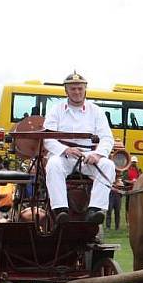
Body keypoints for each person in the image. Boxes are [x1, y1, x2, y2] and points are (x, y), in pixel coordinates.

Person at [43, 71, 115, 225]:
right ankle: (61, 210)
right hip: (64, 157)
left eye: (80, 88)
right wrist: (65, 150)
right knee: (53, 164)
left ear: (85, 89)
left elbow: (107, 138)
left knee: (108, 165)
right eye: (73, 88)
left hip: (87, 157)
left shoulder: (96, 111)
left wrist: (97, 155)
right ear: (66, 90)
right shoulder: (56, 110)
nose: (76, 92)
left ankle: (94, 210)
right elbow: (48, 138)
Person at [123, 156, 141, 221]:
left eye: (135, 162)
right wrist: (131, 182)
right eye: (133, 162)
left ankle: (134, 220)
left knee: (135, 206)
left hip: (135, 191)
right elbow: (124, 180)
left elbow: (140, 179)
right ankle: (127, 221)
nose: (134, 163)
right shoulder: (126, 170)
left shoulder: (137, 171)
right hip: (129, 191)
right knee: (127, 207)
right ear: (130, 162)